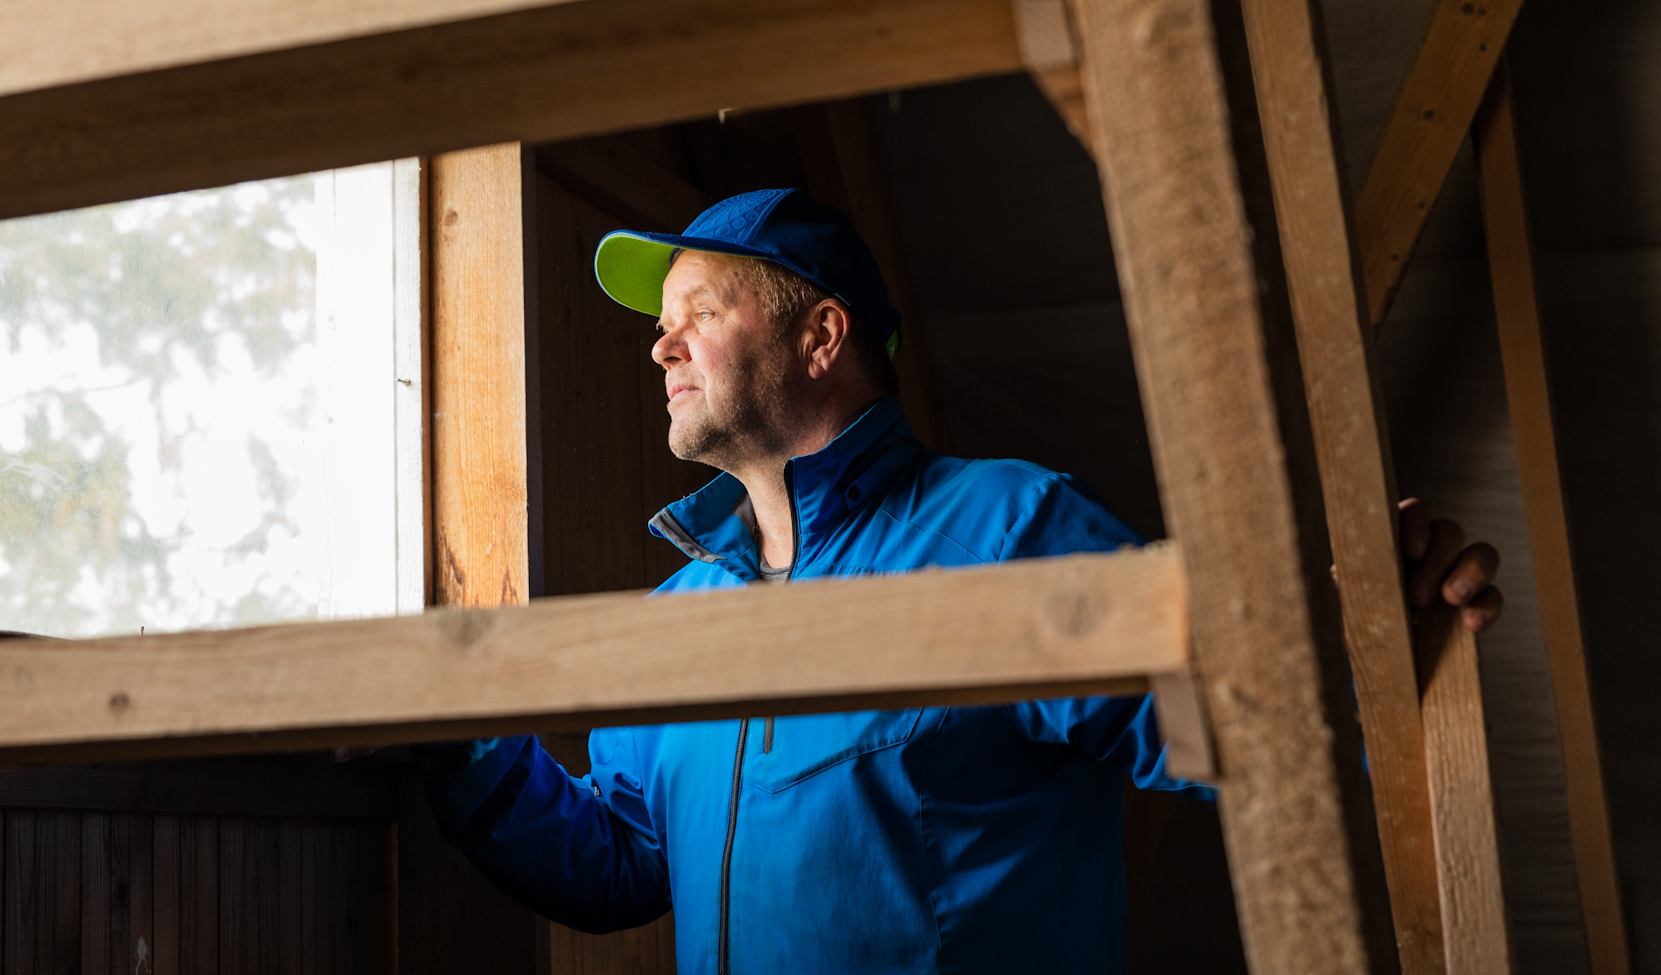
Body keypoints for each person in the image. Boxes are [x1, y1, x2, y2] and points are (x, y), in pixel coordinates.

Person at [414, 188, 1502, 974]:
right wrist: (447, 733)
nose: (661, 350)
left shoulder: (1006, 528)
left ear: (821, 335)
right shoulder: (680, 619)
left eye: (697, 313)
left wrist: (1370, 625)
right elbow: (621, 865)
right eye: (660, 329)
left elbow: (1249, 725)